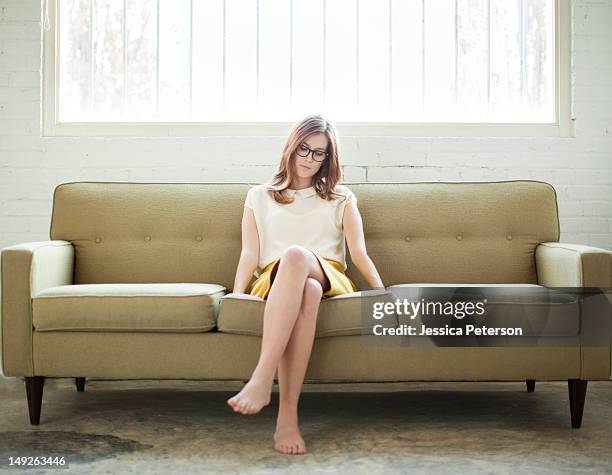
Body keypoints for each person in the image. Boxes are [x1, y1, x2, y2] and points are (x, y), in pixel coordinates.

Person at [228, 114, 384, 455]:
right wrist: (237, 296)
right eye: (305, 149)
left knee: (298, 258)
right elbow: (250, 253)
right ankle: (287, 418)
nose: (311, 159)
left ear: (329, 159)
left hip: (328, 273)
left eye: (320, 154)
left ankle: (260, 379)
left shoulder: (342, 198)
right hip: (274, 278)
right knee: (305, 288)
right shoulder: (258, 196)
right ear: (291, 147)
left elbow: (358, 253)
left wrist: (383, 294)